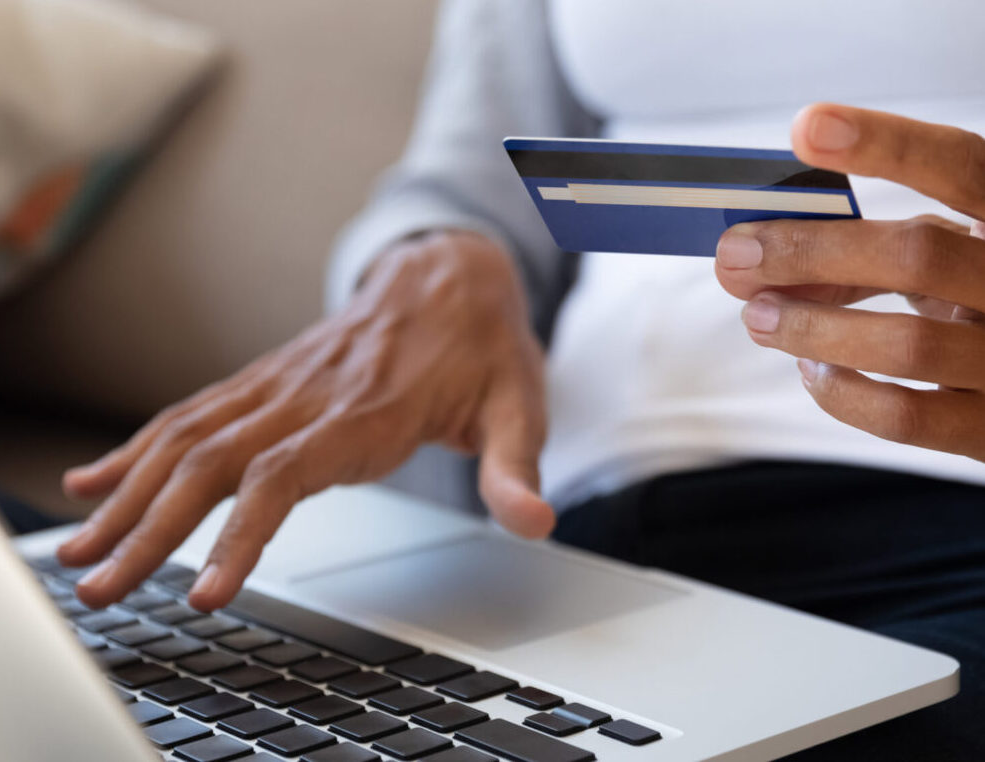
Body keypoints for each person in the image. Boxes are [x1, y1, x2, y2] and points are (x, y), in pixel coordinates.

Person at [58, 2, 985, 758]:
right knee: (31, 676)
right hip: (574, 541)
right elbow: (465, 185)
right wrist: (432, 263)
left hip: (953, 529)